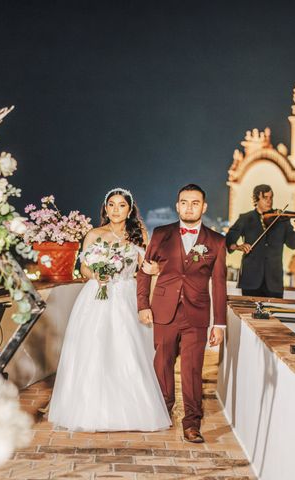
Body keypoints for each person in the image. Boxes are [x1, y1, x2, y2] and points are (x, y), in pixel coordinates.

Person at [48, 188, 171, 432]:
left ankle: (133, 410)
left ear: (129, 209)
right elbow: (82, 268)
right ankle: (90, 409)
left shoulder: (139, 235)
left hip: (126, 295)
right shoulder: (94, 234)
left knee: (126, 350)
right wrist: (96, 274)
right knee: (93, 348)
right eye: (111, 205)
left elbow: (144, 269)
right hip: (95, 296)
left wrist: (154, 270)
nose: (116, 209)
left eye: (121, 205)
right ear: (105, 208)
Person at [137, 184, 227, 443]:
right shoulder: (161, 234)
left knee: (192, 369)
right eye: (184, 202)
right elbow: (145, 270)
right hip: (163, 311)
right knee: (162, 364)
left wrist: (219, 324)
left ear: (204, 207)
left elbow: (219, 283)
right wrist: (143, 305)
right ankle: (163, 411)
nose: (189, 207)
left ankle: (192, 423)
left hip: (197, 315)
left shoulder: (216, 241)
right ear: (177, 206)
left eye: (195, 202)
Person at [225, 184, 295, 298]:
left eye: (271, 197)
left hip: (274, 282)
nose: (269, 201)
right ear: (256, 199)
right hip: (250, 280)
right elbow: (229, 239)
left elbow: (293, 244)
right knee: (249, 313)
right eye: (265, 197)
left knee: (273, 314)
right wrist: (238, 246)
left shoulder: (281, 219)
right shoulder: (245, 218)